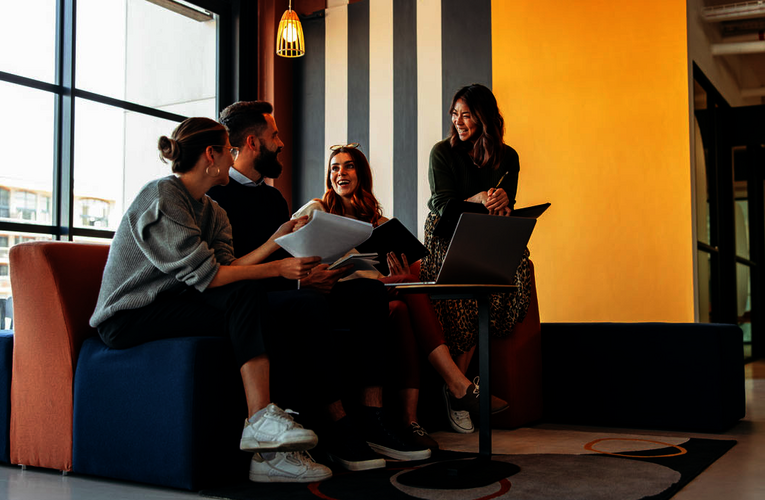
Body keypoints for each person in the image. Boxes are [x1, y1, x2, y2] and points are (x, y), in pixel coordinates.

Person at [89, 117, 332, 484]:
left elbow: (227, 267)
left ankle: (270, 454)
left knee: (264, 308)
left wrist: (275, 241)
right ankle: (261, 420)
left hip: (177, 302)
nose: (234, 158)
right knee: (249, 294)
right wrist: (277, 268)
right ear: (211, 155)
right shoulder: (162, 197)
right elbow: (212, 276)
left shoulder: (213, 210)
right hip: (129, 316)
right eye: (229, 151)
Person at [208, 101, 431, 470]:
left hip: (290, 287)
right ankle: (339, 428)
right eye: (274, 135)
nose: (281, 143)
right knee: (309, 304)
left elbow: (295, 253)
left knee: (368, 293)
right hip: (250, 297)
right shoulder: (216, 196)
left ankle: (372, 419)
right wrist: (299, 280)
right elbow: (231, 270)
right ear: (252, 142)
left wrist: (313, 274)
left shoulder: (272, 197)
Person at [293, 144, 504, 441]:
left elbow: (406, 270)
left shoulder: (378, 223)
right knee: (405, 292)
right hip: (335, 294)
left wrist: (396, 277)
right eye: (335, 168)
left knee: (406, 297)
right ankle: (457, 385)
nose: (341, 172)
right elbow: (290, 245)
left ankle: (410, 420)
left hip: (374, 294)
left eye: (349, 166)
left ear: (361, 174)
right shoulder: (318, 209)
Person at [420, 83, 532, 429]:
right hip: (447, 235)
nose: (459, 121)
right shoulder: (442, 152)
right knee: (470, 293)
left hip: (487, 233)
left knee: (517, 272)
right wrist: (480, 198)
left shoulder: (507, 156)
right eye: (455, 114)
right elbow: (442, 205)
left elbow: (506, 205)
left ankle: (457, 388)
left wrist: (503, 204)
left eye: (466, 115)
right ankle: (460, 391)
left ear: (484, 118)